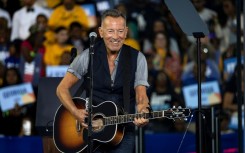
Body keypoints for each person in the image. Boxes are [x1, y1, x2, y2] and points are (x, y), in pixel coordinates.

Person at [56, 9, 150, 153]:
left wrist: (144, 110)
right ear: (101, 32)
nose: (116, 37)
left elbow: (141, 95)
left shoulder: (137, 58)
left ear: (126, 32)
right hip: (92, 132)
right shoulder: (88, 55)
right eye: (110, 31)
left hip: (123, 131)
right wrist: (75, 112)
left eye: (120, 31)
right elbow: (61, 89)